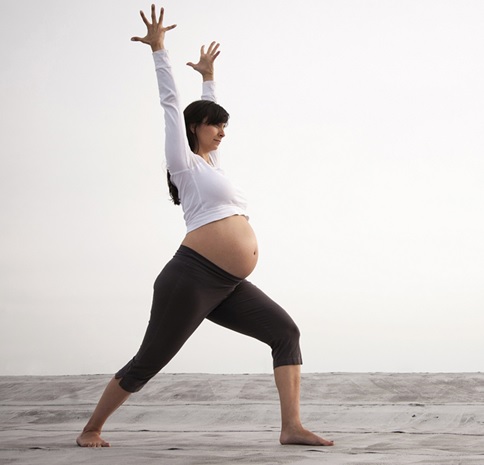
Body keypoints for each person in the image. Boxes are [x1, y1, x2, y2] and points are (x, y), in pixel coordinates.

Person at [76, 4, 334, 448]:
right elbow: (172, 105)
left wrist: (209, 77)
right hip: (191, 278)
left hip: (228, 283)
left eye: (225, 127)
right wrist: (160, 51)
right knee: (150, 360)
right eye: (216, 126)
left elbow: (204, 112)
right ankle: (91, 429)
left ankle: (291, 427)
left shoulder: (212, 166)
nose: (222, 132)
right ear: (195, 128)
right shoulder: (184, 165)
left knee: (285, 332)